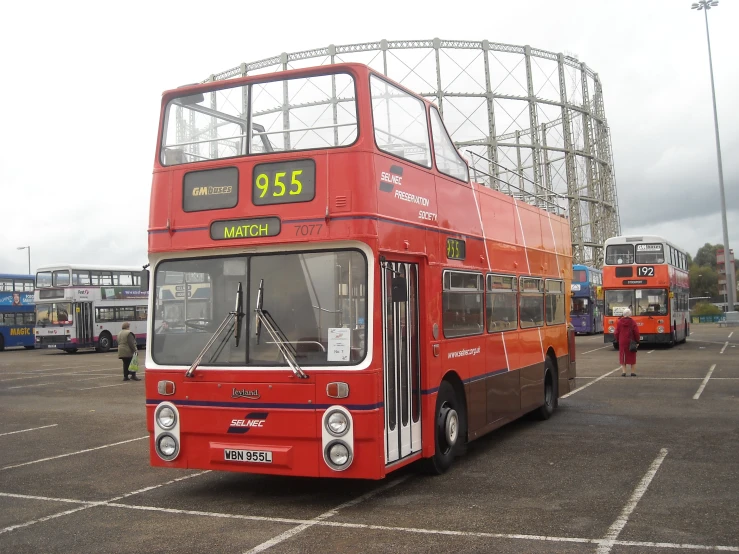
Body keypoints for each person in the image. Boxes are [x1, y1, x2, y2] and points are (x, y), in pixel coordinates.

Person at [615, 308, 640, 377]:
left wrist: (618, 339)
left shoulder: (619, 322)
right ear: (630, 314)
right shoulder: (633, 322)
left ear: (623, 314)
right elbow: (636, 332)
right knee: (632, 355)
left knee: (623, 355)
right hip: (631, 341)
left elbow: (616, 332)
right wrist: (637, 341)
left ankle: (624, 372)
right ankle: (632, 372)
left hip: (622, 341)